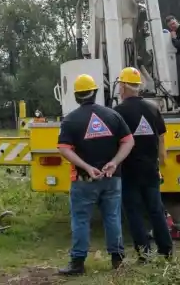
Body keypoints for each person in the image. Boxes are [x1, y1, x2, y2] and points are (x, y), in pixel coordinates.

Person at [56, 74, 135, 275]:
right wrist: (114, 163)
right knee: (112, 217)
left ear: (76, 96)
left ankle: (77, 264)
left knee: (81, 219)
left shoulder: (70, 120)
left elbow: (64, 148)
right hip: (112, 178)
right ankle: (117, 260)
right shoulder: (112, 115)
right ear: (96, 92)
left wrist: (86, 166)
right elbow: (129, 141)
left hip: (84, 180)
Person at [112, 66, 173, 259]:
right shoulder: (153, 108)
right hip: (150, 168)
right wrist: (162, 158)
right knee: (156, 210)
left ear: (122, 87)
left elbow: (115, 141)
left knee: (134, 211)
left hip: (129, 170)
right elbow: (162, 137)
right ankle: (166, 250)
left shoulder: (118, 112)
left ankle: (144, 252)